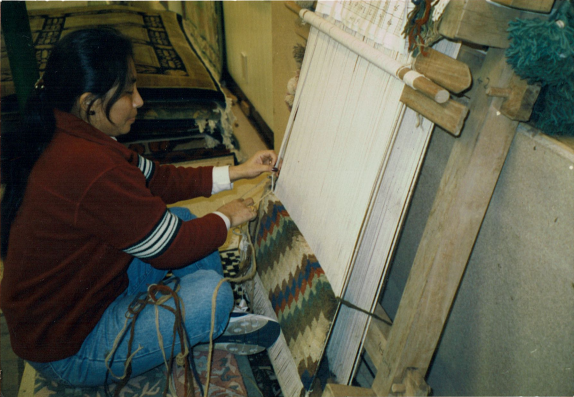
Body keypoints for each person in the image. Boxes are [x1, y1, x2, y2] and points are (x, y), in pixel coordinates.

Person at [0, 27, 280, 388]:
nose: (139, 101)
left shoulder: (73, 133)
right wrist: (226, 216)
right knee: (212, 296)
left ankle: (208, 321)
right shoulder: (89, 167)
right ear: (90, 102)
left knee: (178, 219)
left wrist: (238, 171)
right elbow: (171, 249)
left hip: (82, 299)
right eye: (129, 91)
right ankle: (212, 321)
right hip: (68, 349)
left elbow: (157, 180)